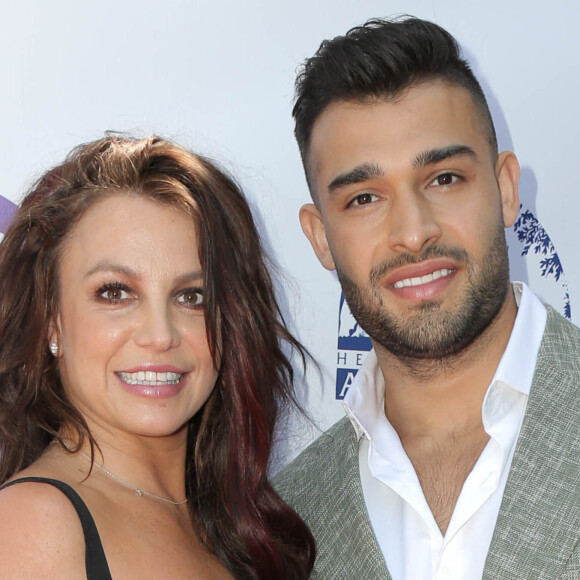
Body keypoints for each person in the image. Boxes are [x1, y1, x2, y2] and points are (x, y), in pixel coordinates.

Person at [274, 16, 580, 580]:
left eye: (443, 178)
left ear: (506, 189)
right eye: (365, 198)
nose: (414, 233)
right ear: (319, 236)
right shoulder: (287, 525)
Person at [0, 134, 315, 579]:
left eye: (192, 296)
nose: (160, 335)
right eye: (115, 293)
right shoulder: (35, 525)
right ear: (51, 319)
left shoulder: (234, 526)